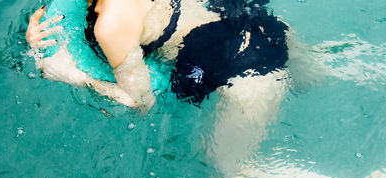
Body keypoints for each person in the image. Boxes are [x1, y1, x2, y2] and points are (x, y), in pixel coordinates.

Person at [26, 0, 289, 109]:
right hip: (254, 19)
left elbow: (140, 102)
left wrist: (72, 75)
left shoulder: (112, 22)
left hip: (243, 72)